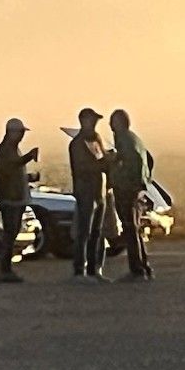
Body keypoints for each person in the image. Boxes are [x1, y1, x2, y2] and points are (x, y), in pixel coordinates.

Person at [108, 109, 154, 281]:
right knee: (135, 229)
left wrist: (117, 173)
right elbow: (147, 159)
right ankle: (144, 266)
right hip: (136, 189)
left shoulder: (124, 140)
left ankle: (137, 270)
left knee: (130, 229)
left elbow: (131, 162)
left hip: (127, 190)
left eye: (113, 122)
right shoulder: (133, 139)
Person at [69, 107, 112, 282]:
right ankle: (80, 270)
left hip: (99, 192)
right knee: (84, 232)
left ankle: (95, 269)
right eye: (91, 120)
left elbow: (102, 160)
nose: (94, 124)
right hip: (86, 191)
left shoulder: (96, 139)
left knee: (97, 232)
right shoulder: (77, 144)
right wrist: (102, 163)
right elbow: (82, 168)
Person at [0, 118, 38, 283]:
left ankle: (7, 268)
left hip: (15, 197)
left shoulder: (11, 149)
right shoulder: (5, 150)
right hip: (10, 198)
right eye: (20, 133)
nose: (21, 136)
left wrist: (28, 177)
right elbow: (9, 167)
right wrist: (28, 157)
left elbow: (12, 171)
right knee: (10, 233)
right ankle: (5, 269)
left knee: (12, 233)